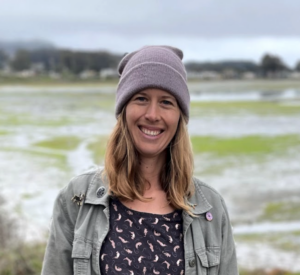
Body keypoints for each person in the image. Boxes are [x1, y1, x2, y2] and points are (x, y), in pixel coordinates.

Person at [41, 45, 238, 275]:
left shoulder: (210, 208)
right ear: (124, 109)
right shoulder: (76, 198)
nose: (153, 114)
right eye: (141, 98)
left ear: (179, 117)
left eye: (166, 102)